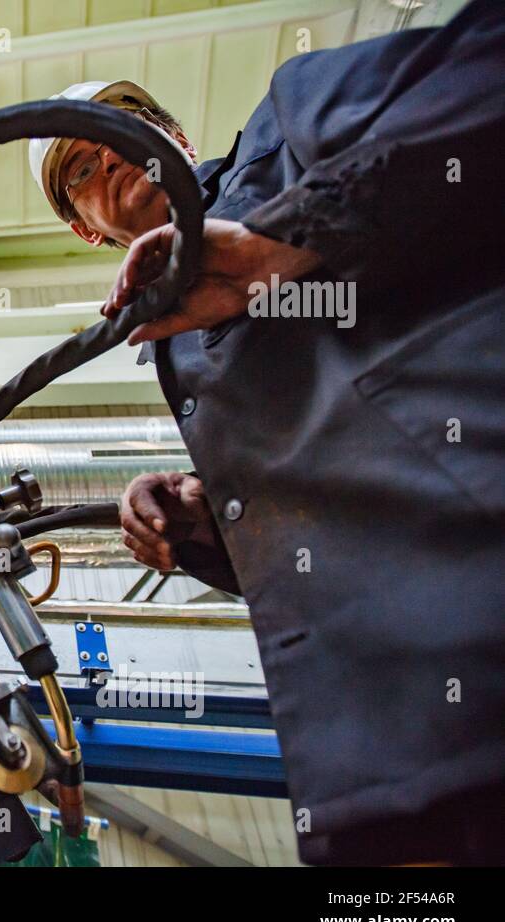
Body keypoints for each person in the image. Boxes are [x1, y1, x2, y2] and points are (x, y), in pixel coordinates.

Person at [27, 0, 505, 864]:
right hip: (394, 767)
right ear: (85, 228)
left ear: (170, 130)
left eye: (122, 130)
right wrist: (209, 524)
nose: (113, 159)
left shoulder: (290, 127)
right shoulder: (175, 351)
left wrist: (290, 243)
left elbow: (486, 76)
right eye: (83, 171)